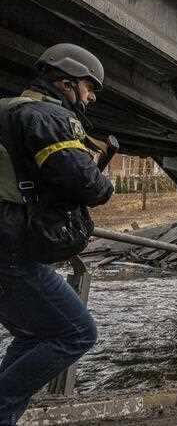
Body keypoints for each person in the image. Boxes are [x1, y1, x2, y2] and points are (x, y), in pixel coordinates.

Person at [0, 44, 114, 425]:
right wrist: (103, 178)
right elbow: (88, 184)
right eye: (89, 87)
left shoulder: (8, 109)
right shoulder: (48, 116)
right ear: (66, 82)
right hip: (11, 250)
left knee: (35, 334)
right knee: (78, 332)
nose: (91, 97)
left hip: (8, 246)